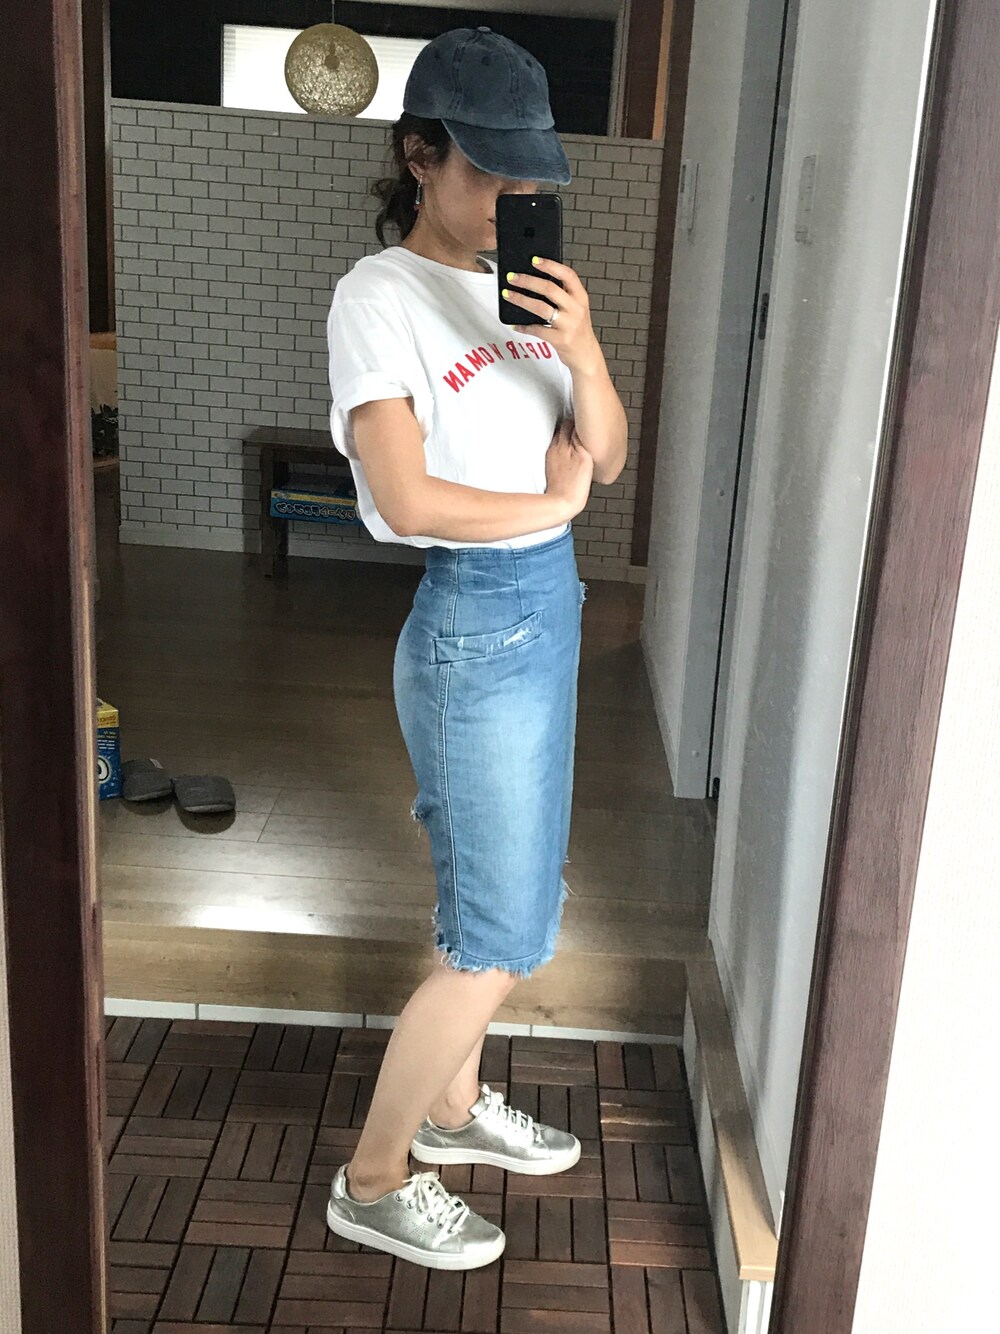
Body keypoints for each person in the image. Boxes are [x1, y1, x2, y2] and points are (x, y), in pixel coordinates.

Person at [323, 26, 627, 1270]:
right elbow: (405, 499)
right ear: (420, 155)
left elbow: (605, 452)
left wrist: (584, 347)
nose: (513, 196)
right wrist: (551, 505)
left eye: (528, 175)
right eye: (489, 171)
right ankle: (372, 1176)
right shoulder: (378, 295)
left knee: (513, 892)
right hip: (475, 621)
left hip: (547, 607)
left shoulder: (527, 290)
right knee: (498, 935)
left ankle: (452, 1109)